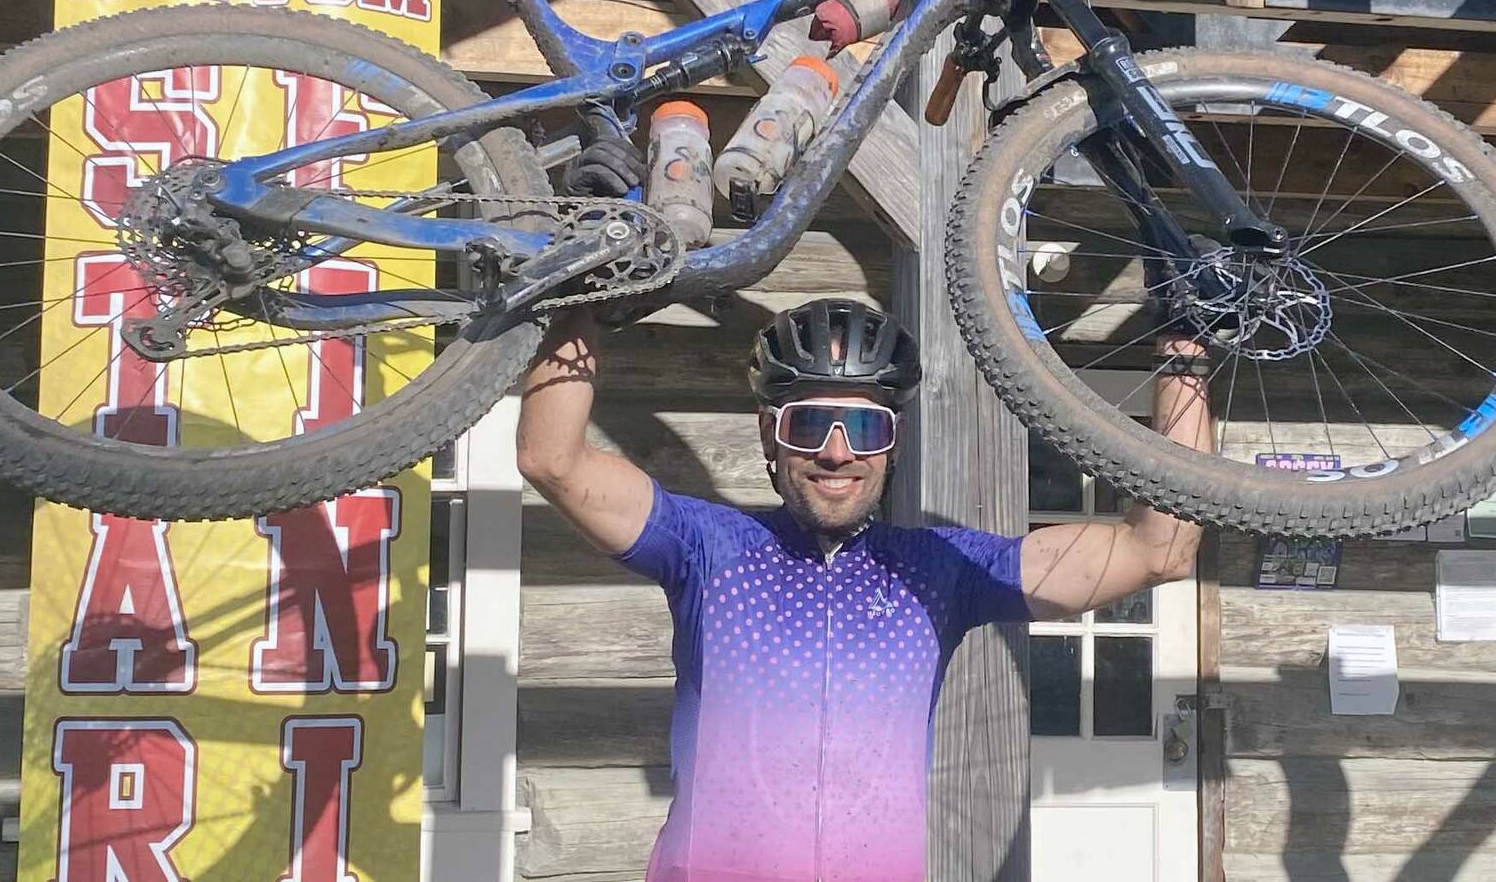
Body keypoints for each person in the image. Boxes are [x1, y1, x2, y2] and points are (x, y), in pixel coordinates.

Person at [516, 297, 1215, 882]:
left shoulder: (938, 567)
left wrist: (1184, 340)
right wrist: (584, 296)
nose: (838, 451)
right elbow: (551, 458)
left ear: (894, 441)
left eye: (867, 426)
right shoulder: (707, 548)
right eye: (811, 422)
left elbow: (1160, 548)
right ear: (770, 434)